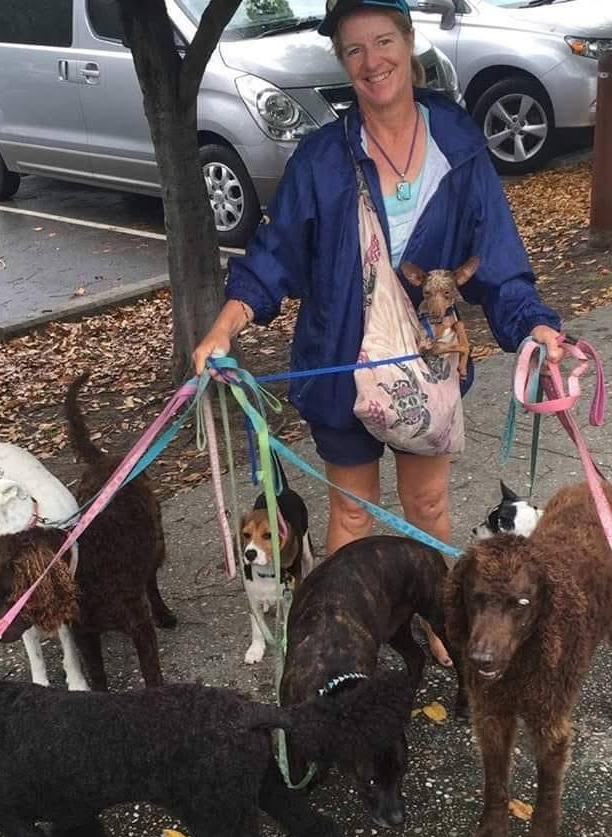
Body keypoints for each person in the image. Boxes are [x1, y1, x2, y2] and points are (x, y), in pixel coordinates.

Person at [192, 0, 563, 658]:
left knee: (425, 508)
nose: (373, 61)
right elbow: (272, 256)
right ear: (342, 60)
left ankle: (439, 621)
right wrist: (226, 325)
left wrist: (533, 325)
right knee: (353, 513)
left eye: (384, 41)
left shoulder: (458, 143)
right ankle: (350, 639)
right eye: (355, 49)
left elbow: (498, 258)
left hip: (425, 369)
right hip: (339, 368)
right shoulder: (320, 161)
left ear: (409, 40)